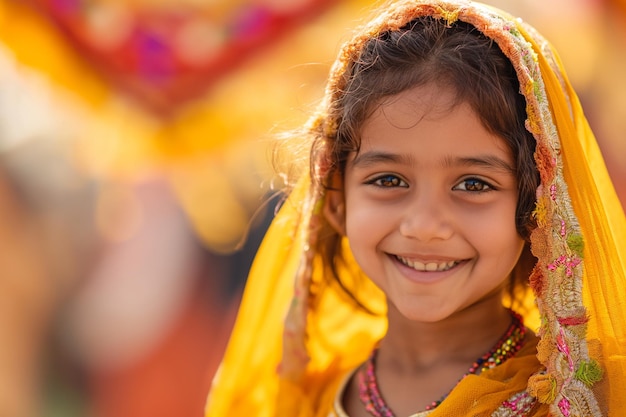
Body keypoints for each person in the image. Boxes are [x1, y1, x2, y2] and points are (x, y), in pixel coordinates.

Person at [204, 1, 626, 416]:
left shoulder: (579, 403)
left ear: (537, 211)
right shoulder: (294, 402)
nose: (425, 226)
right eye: (389, 181)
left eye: (473, 184)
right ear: (337, 201)